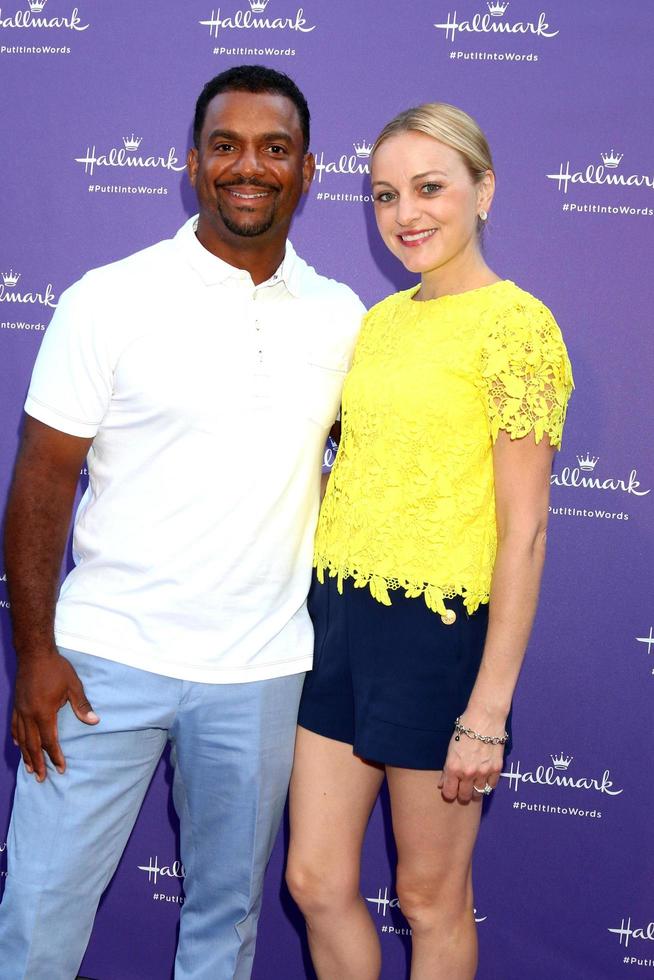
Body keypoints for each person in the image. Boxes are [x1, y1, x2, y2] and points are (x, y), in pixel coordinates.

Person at [0, 65, 364, 979]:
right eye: (226, 145)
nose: (250, 166)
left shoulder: (342, 319)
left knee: (225, 923)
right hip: (100, 662)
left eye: (274, 148)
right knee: (41, 912)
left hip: (261, 669)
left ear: (308, 169)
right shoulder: (108, 298)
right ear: (192, 164)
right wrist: (35, 653)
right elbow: (43, 480)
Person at [286, 102, 573, 979]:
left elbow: (523, 533)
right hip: (335, 623)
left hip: (438, 636)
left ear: (484, 191)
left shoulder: (518, 326)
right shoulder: (378, 323)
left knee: (428, 897)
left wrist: (486, 714)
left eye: (429, 188)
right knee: (314, 878)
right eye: (383, 195)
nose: (405, 214)